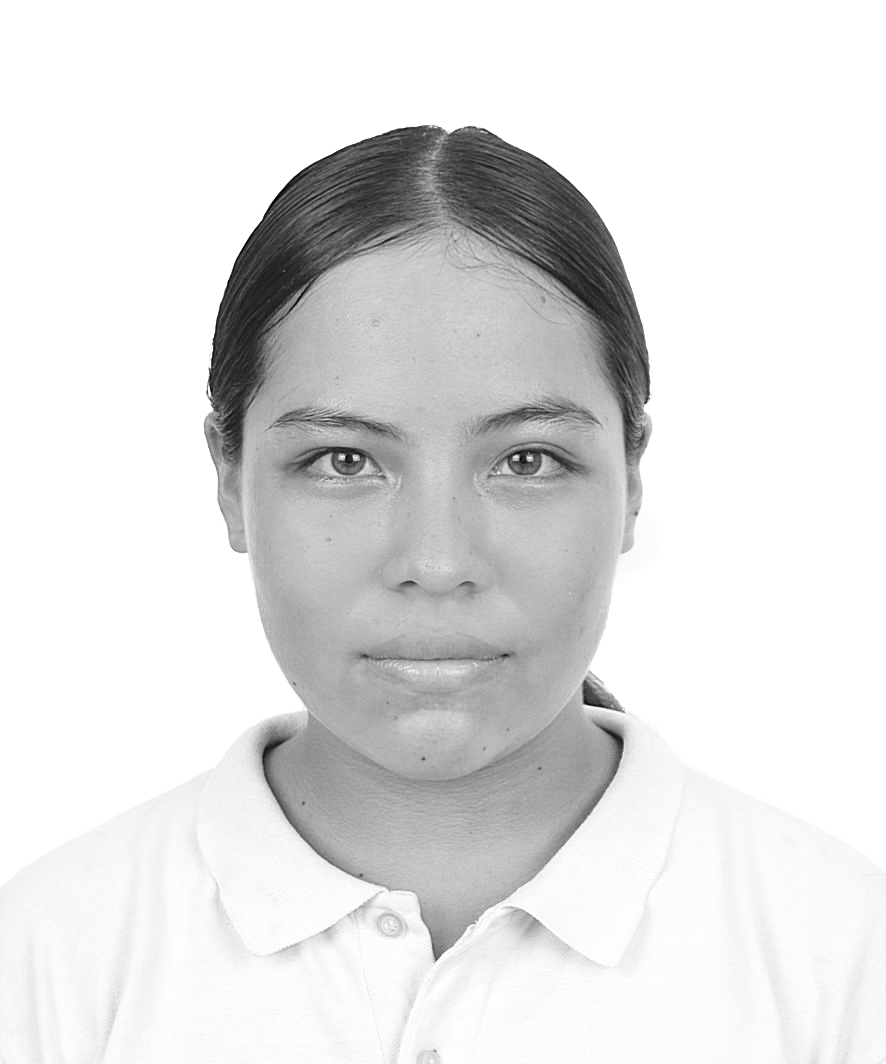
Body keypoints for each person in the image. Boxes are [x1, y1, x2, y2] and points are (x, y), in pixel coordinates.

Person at [0, 125, 883, 1063]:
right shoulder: (48, 961)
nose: (435, 560)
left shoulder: (845, 962)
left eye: (527, 460)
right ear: (229, 481)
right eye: (343, 460)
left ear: (631, 481)